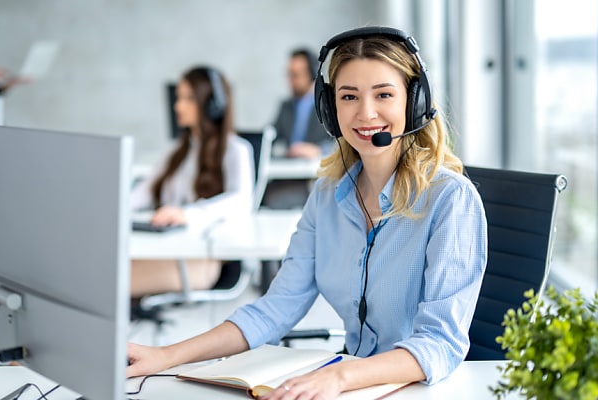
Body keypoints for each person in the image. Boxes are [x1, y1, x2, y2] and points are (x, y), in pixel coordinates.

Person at [127, 27, 487, 399]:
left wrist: (340, 377)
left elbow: (439, 343)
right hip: (355, 383)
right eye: (349, 96)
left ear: (414, 103)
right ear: (331, 110)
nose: (365, 113)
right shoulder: (327, 195)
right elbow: (275, 308)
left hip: (422, 389)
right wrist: (166, 356)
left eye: (384, 94)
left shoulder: (450, 200)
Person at [129, 66, 254, 298]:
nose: (178, 106)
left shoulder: (236, 150)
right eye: (178, 98)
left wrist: (188, 214)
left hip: (201, 259)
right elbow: (142, 193)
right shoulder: (177, 152)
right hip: (165, 250)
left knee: (112, 279)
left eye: (188, 99)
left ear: (211, 105)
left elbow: (241, 201)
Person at [261, 48, 333, 209]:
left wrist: (318, 150)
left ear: (312, 74)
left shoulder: (327, 105)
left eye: (295, 75)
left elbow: (343, 142)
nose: (290, 80)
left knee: (274, 200)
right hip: (287, 175)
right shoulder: (285, 106)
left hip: (314, 177)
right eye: (289, 74)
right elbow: (270, 136)